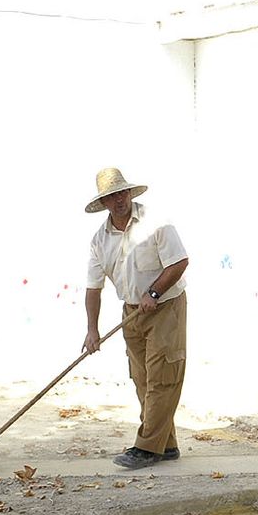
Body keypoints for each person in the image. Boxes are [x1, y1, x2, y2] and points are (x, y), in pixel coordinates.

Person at [82, 167, 189, 470]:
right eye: (111, 196)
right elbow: (93, 288)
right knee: (142, 380)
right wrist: (92, 330)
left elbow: (179, 262)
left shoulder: (157, 223)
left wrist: (153, 293)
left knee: (162, 377)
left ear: (129, 193)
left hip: (165, 306)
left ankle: (145, 447)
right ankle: (166, 445)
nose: (118, 200)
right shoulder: (99, 240)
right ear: (103, 203)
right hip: (131, 313)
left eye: (122, 192)